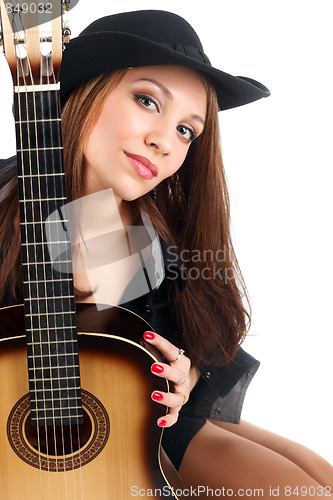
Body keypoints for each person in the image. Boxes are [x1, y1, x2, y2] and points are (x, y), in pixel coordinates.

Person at [0, 9, 332, 497]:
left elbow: (193, 345)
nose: (163, 142)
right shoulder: (11, 201)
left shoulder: (145, 237)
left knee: (321, 479)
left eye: (186, 131)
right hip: (29, 433)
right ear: (90, 87)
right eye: (147, 100)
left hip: (129, 419)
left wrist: (183, 374)